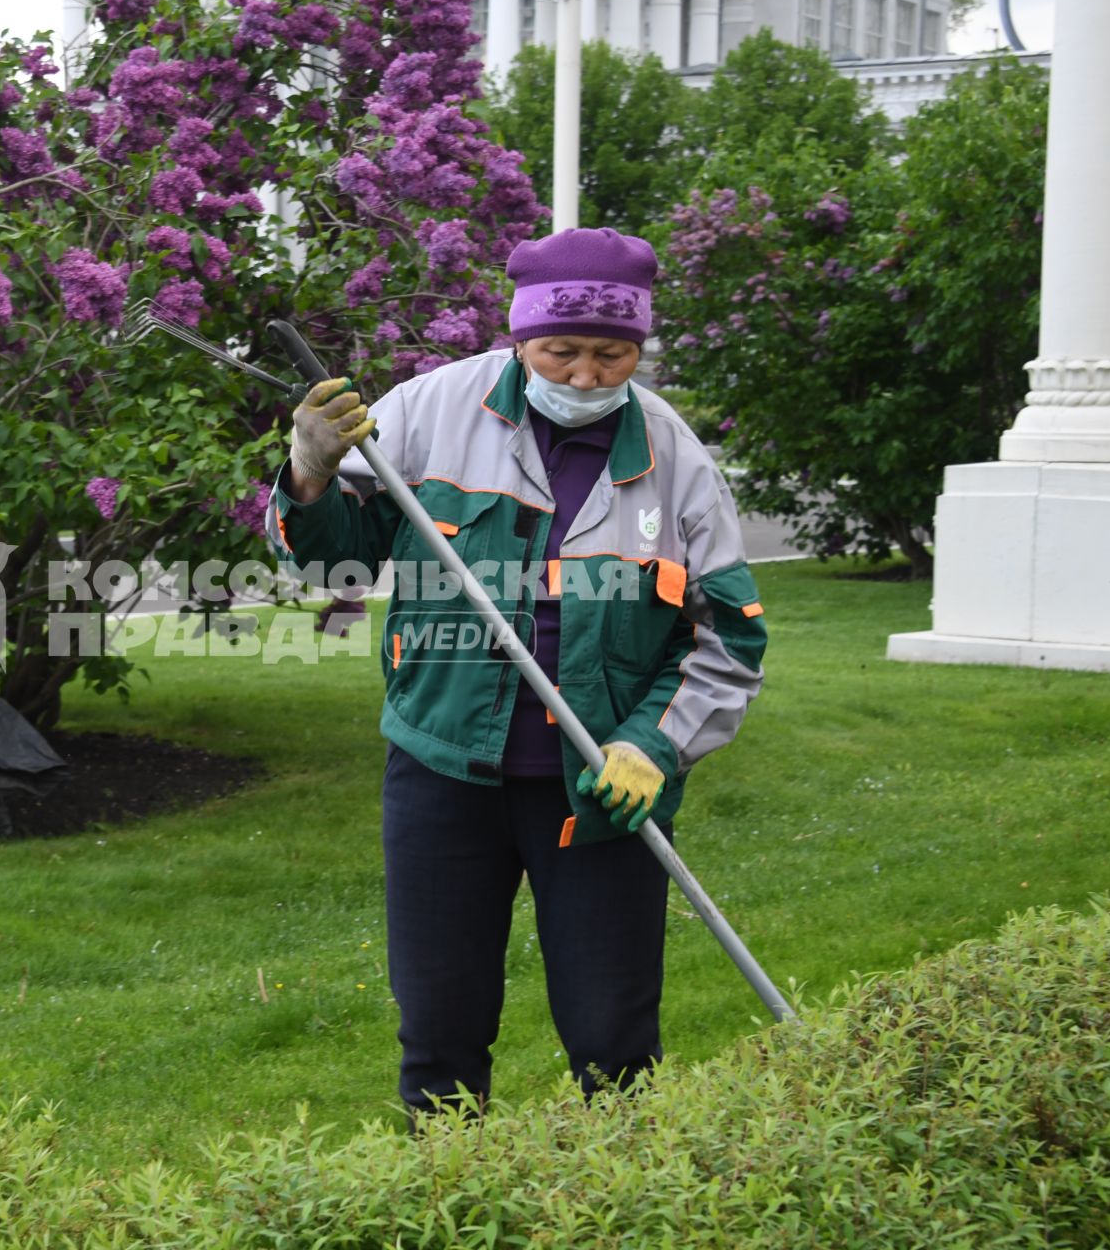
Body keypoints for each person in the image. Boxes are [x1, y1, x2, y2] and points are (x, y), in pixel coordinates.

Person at [264, 227, 767, 1118]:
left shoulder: (676, 459)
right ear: (519, 337)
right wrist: (310, 469)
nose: (583, 376)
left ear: (640, 348)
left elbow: (726, 638)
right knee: (441, 1034)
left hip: (602, 790)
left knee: (614, 1043)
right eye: (560, 351)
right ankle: (450, 1201)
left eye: (611, 356)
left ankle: (620, 1207)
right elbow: (330, 567)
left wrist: (654, 744)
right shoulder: (427, 412)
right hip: (441, 771)